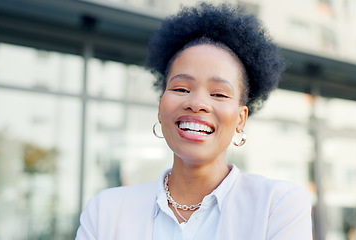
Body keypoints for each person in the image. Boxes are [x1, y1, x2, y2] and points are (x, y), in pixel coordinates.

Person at [76, 2, 313, 240]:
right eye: (181, 88)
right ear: (160, 108)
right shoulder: (105, 211)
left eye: (218, 93)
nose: (197, 103)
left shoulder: (277, 205)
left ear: (241, 118)